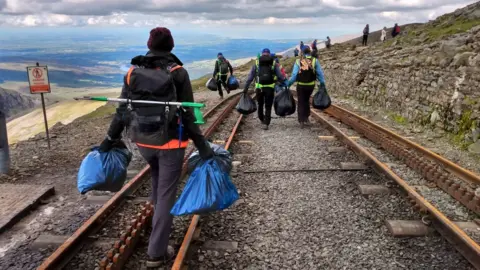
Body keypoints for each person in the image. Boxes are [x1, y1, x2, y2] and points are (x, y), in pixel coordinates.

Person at [98, 27, 214, 268]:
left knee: (158, 180)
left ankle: (155, 230)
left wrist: (109, 139)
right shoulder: (178, 73)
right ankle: (156, 253)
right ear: (171, 46)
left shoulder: (132, 73)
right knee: (166, 195)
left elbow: (122, 110)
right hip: (171, 143)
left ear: (149, 45)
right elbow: (188, 113)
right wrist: (202, 145)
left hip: (144, 142)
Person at [243, 48, 287, 130]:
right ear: (269, 54)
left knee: (260, 104)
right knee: (268, 105)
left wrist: (246, 88)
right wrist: (285, 83)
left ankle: (261, 118)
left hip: (259, 88)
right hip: (269, 88)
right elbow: (280, 76)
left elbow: (250, 77)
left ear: (262, 54)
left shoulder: (256, 63)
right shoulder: (273, 63)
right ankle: (266, 123)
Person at [287, 46, 326, 128]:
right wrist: (322, 83)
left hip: (301, 85)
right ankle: (306, 118)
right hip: (310, 85)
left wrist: (289, 83)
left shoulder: (298, 61)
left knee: (301, 101)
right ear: (310, 52)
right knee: (307, 100)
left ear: (302, 52)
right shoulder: (315, 60)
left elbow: (294, 75)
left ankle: (301, 120)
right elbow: (319, 73)